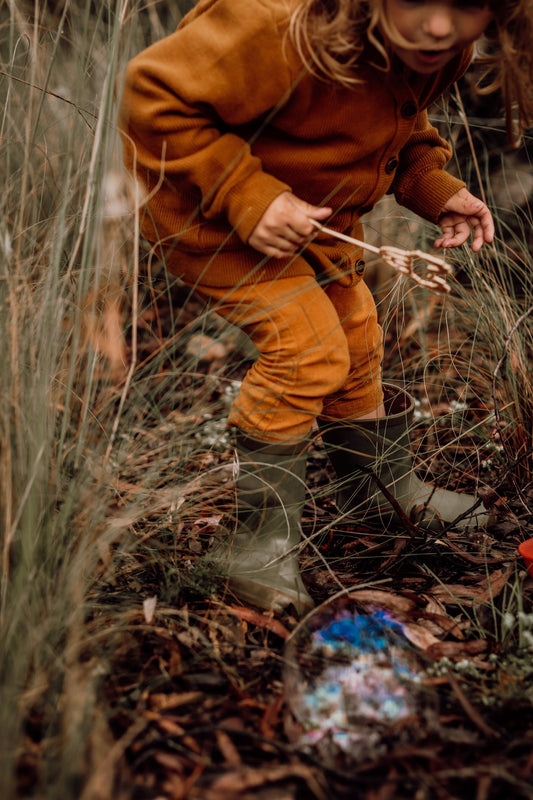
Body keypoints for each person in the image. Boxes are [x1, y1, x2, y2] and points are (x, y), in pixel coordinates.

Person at [119, 0, 533, 616]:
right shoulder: (276, 25)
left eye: (467, 4)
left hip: (312, 218)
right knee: (305, 347)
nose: (441, 25)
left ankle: (377, 490)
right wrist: (247, 196)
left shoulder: (433, 50)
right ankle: (255, 544)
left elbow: (399, 130)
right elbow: (152, 95)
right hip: (208, 215)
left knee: (356, 329)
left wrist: (437, 191)